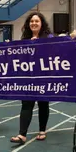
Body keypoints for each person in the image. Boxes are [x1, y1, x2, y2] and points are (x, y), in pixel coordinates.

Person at [10, 12, 53, 144]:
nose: (34, 23)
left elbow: (55, 53)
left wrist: (39, 45)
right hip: (28, 78)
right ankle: (22, 134)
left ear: (41, 23)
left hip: (43, 77)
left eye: (37, 21)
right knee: (26, 104)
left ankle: (42, 130)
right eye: (31, 21)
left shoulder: (49, 37)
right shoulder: (24, 39)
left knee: (43, 104)